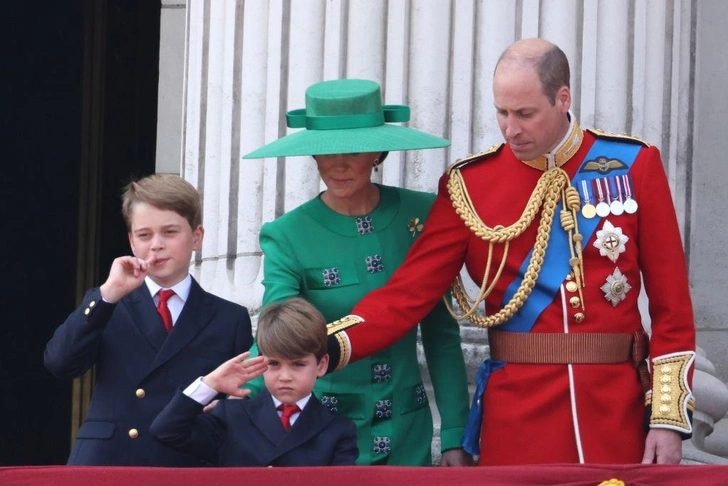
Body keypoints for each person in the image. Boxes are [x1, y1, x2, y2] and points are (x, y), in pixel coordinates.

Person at [324, 39, 696, 466]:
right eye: (501, 113)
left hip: (615, 413)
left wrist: (666, 419)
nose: (510, 129)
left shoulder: (633, 165)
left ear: (563, 98)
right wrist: (329, 345)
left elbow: (672, 307)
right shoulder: (468, 186)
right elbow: (407, 294)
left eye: (525, 114)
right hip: (517, 418)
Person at [242, 79, 472, 466]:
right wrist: (232, 392)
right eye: (325, 152)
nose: (339, 165)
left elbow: (442, 335)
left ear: (378, 151)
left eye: (353, 150)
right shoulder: (286, 234)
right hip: (322, 436)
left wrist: (454, 434)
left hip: (408, 434)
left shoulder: (425, 216)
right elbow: (277, 329)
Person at [44, 174, 254, 466]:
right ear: (131, 241)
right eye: (144, 235)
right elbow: (60, 362)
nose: (156, 245)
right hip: (109, 461)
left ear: (196, 236)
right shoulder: (108, 302)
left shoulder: (229, 318)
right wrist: (108, 294)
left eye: (169, 232)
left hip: (184, 461)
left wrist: (225, 409)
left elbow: (244, 398)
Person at [150, 297, 359, 466]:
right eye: (274, 364)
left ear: (321, 365)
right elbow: (166, 430)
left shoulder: (338, 429)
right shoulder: (232, 415)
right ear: (260, 361)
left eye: (298, 364)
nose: (284, 376)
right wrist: (210, 384)